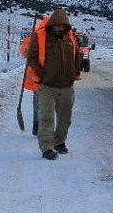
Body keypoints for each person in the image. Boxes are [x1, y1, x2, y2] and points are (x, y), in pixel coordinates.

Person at [26, 8, 82, 160]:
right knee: (46, 118)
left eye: (62, 26)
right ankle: (46, 147)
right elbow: (31, 57)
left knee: (65, 118)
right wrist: (42, 74)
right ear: (52, 25)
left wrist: (76, 69)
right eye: (57, 25)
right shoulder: (40, 36)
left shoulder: (70, 36)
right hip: (47, 86)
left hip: (67, 86)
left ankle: (59, 142)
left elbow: (78, 53)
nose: (60, 28)